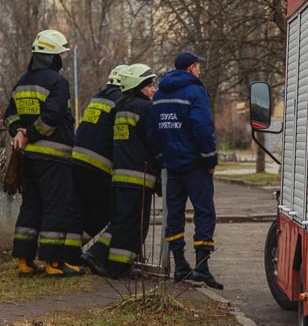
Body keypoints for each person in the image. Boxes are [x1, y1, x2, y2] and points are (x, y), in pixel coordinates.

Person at [3, 29, 85, 277]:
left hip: (29, 159)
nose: (63, 58)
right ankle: (53, 263)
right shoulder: (57, 82)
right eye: (61, 54)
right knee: (55, 208)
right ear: (52, 56)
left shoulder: (22, 82)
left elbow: (9, 115)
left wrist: (19, 132)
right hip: (54, 159)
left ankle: (24, 262)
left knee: (31, 207)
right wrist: (30, 133)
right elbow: (52, 118)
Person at [148, 51, 223, 289]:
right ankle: (201, 267)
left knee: (174, 215)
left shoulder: (160, 94)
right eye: (198, 66)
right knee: (204, 212)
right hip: (195, 165)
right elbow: (202, 127)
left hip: (172, 166)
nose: (199, 70)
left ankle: (180, 265)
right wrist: (210, 160)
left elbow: (153, 131)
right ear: (191, 68)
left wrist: (162, 157)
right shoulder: (195, 91)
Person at [86, 64, 160, 278]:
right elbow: (154, 141)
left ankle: (99, 255)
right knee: (133, 226)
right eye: (149, 85)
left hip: (120, 176)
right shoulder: (146, 108)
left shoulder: (120, 106)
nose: (153, 89)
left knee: (122, 222)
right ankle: (117, 267)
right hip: (139, 177)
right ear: (137, 86)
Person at [72, 64, 127, 240]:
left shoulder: (99, 96)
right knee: (107, 209)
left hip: (77, 160)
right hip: (98, 165)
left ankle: (68, 248)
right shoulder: (121, 100)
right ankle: (83, 247)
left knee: (80, 208)